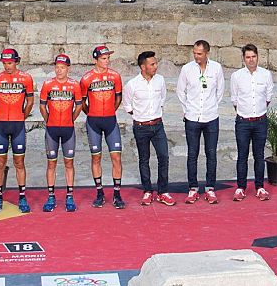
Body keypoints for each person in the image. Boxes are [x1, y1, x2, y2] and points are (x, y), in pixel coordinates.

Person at [0, 48, 36, 214]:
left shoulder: (26, 78)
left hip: (18, 125)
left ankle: (22, 197)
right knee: (0, 164)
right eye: (5, 63)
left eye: (10, 62)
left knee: (19, 163)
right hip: (1, 124)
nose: (7, 66)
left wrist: (21, 116)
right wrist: (0, 115)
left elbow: (30, 101)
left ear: (16, 61)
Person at [177, 41, 224, 204]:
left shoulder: (216, 68)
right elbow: (180, 91)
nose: (196, 56)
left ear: (207, 53)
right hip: (192, 117)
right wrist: (188, 108)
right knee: (192, 153)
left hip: (211, 117)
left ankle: (210, 188)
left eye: (199, 54)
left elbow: (220, 90)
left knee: (211, 153)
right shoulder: (186, 69)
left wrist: (211, 106)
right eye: (195, 53)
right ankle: (193, 188)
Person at [123, 50, 173, 206]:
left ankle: (163, 191)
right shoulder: (132, 85)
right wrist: (140, 116)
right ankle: (147, 191)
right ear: (143, 67)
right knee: (144, 159)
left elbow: (162, 98)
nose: (156, 66)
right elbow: (127, 106)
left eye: (156, 63)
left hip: (158, 125)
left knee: (163, 157)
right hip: (141, 127)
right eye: (152, 64)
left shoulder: (160, 80)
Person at [79, 45, 126, 209]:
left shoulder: (115, 76)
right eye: (104, 58)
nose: (107, 61)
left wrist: (110, 111)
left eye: (108, 58)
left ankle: (117, 193)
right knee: (96, 158)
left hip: (110, 120)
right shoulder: (86, 79)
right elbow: (82, 102)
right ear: (96, 60)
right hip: (93, 122)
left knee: (116, 158)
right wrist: (91, 113)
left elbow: (118, 98)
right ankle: (99, 192)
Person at [230, 43, 275, 201]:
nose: (251, 60)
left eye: (253, 57)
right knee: (242, 156)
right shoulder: (236, 76)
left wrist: (258, 112)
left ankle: (260, 187)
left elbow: (268, 97)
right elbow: (234, 99)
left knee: (259, 155)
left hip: (260, 121)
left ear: (258, 57)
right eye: (248, 57)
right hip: (243, 121)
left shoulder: (266, 75)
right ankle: (241, 188)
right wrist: (245, 112)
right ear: (243, 58)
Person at [39, 54, 84, 212]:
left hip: (67, 129)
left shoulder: (74, 85)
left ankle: (69, 196)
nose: (59, 70)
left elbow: (79, 105)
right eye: (57, 67)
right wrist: (48, 119)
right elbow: (42, 106)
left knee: (68, 163)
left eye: (62, 68)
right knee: (51, 163)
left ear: (68, 68)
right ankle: (51, 196)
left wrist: (71, 119)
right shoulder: (47, 84)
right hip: (52, 128)